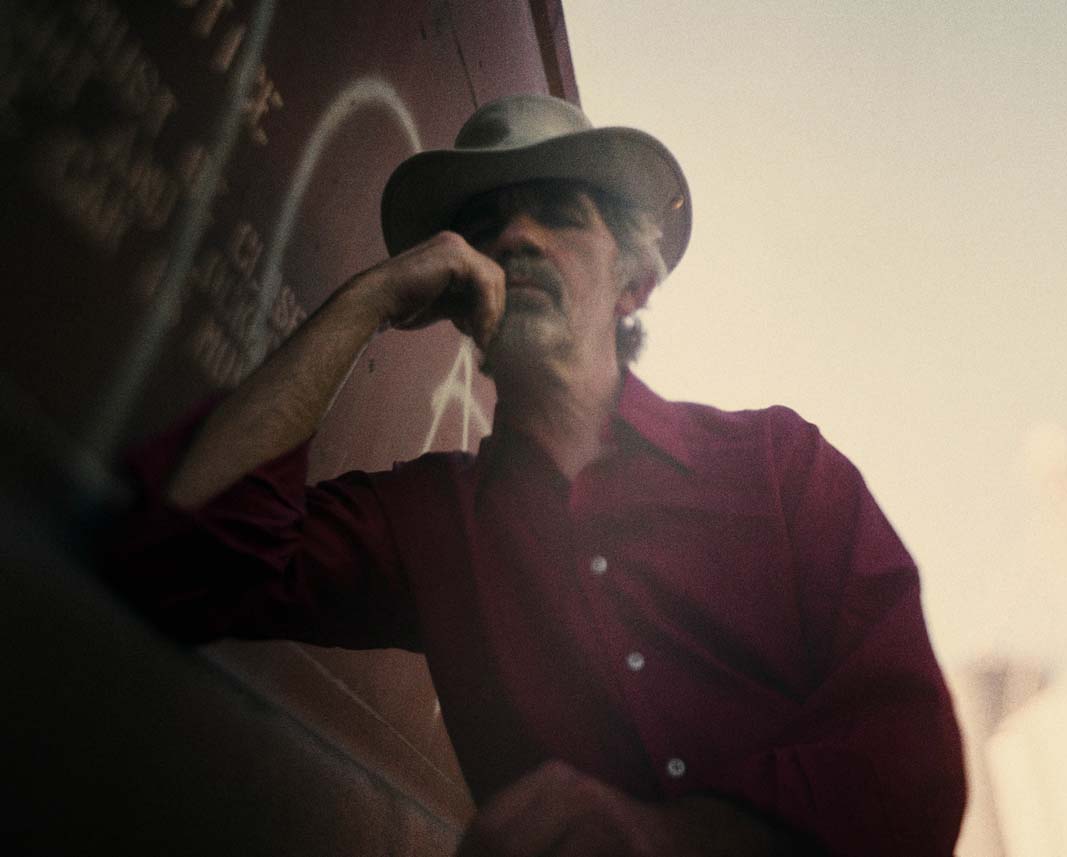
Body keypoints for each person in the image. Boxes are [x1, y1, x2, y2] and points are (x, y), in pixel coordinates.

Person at [107, 94, 966, 855]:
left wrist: (677, 837)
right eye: (482, 227)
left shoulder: (779, 467)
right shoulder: (429, 520)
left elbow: (911, 758)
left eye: (559, 214)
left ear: (633, 284)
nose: (515, 238)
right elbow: (181, 561)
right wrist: (373, 299)